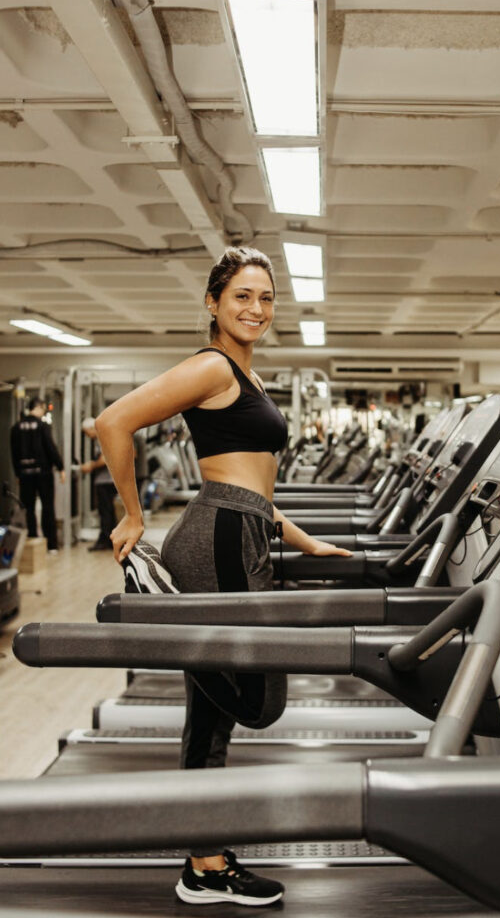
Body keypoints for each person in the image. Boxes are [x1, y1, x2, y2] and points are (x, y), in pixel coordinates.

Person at [95, 246, 352, 907]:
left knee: (215, 714)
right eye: (242, 295)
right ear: (213, 303)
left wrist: (300, 538)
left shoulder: (248, 376)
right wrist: (130, 515)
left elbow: (255, 484)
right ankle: (200, 853)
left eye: (265, 298)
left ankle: (203, 860)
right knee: (251, 701)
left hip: (246, 530)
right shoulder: (211, 367)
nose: (256, 308)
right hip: (217, 539)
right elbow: (113, 422)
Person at [10, 396, 65, 554]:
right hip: (43, 473)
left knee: (28, 508)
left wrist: (17, 474)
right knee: (48, 507)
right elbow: (50, 447)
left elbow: (13, 453)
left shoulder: (16, 427)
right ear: (39, 407)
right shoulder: (42, 426)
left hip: (25, 473)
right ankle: (51, 545)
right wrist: (60, 467)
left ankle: (33, 540)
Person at [81, 418, 117, 552]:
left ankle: (105, 539)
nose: (87, 436)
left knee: (105, 510)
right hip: (108, 479)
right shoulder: (103, 436)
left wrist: (91, 466)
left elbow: (105, 458)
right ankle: (110, 538)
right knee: (108, 510)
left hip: (105, 480)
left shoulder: (102, 437)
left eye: (86, 433)